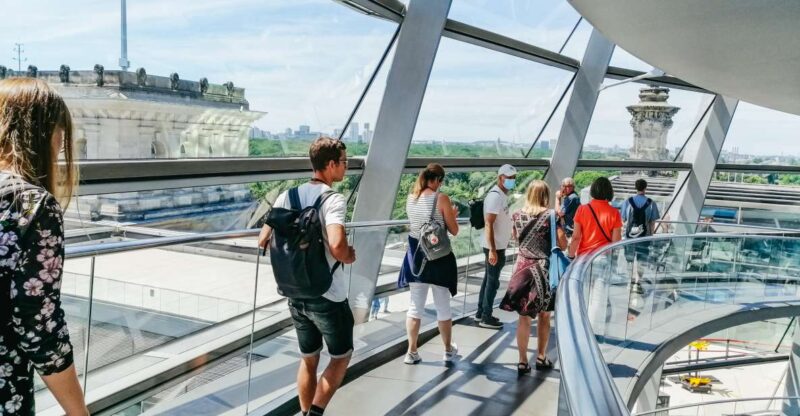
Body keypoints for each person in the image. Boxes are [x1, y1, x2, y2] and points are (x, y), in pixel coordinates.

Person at [0, 78, 88, 415]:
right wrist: (78, 411)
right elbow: (38, 324)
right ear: (43, 135)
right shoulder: (31, 206)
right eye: (60, 138)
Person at [258, 136, 356, 416]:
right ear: (330, 164)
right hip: (328, 294)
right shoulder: (333, 199)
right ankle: (314, 413)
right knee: (341, 356)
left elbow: (263, 238)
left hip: (294, 291)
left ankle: (303, 413)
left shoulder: (286, 196)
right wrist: (349, 255)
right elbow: (337, 246)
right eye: (344, 163)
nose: (346, 168)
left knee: (309, 358)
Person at [500, 181, 567, 375]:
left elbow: (516, 238)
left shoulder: (517, 215)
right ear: (546, 195)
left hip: (522, 269)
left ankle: (522, 361)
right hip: (543, 271)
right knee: (545, 315)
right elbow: (562, 244)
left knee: (523, 318)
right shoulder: (551, 216)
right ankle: (540, 356)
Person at [398, 163, 459, 365]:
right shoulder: (441, 199)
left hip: (416, 258)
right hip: (438, 259)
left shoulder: (410, 198)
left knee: (415, 307)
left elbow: (417, 227)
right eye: (441, 181)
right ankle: (448, 350)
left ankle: (412, 351)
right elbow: (454, 230)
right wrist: (452, 216)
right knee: (443, 306)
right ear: (437, 180)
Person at [476, 164, 517, 329]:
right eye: (509, 178)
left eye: (514, 178)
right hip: (494, 246)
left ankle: (481, 313)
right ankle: (486, 316)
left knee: (488, 280)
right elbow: (489, 224)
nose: (512, 181)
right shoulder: (495, 196)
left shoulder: (501, 195)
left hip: (498, 245)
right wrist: (492, 250)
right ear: (500, 177)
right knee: (492, 282)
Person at [620, 179, 660, 293]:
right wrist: (651, 235)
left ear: (635, 187)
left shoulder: (628, 202)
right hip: (644, 237)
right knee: (641, 261)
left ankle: (629, 282)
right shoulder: (651, 203)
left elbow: (623, 220)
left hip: (629, 238)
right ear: (645, 188)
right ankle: (638, 283)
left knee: (629, 260)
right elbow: (652, 222)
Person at [568, 176, 622, 258]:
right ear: (609, 191)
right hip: (604, 256)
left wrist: (571, 256)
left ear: (593, 190)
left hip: (584, 257)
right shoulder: (614, 212)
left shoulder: (582, 209)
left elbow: (576, 237)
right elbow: (616, 241)